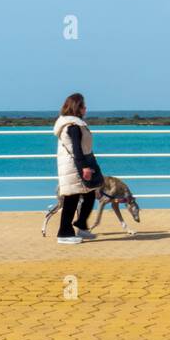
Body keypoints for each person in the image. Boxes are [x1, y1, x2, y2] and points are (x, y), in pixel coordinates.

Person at [53, 92, 99, 245]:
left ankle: (80, 226)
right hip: (74, 164)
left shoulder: (74, 123)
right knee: (71, 198)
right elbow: (77, 150)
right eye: (83, 106)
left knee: (90, 193)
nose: (86, 109)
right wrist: (84, 167)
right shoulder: (73, 126)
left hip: (76, 163)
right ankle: (64, 233)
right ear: (76, 108)